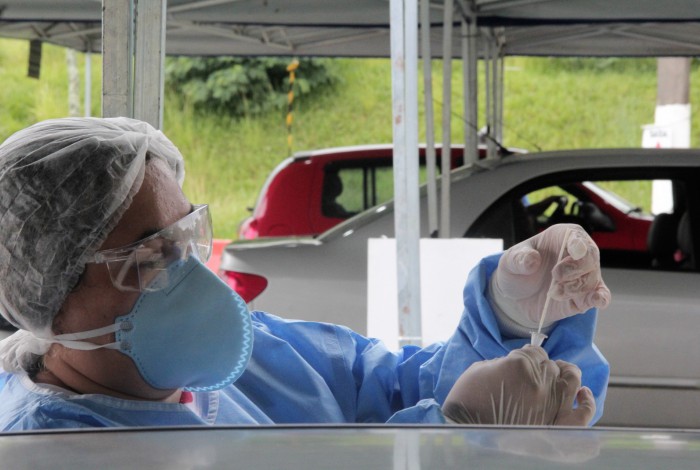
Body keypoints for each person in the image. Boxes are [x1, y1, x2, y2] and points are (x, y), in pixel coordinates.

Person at [0, 117, 610, 431]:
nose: (189, 272)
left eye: (188, 235)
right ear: (51, 300)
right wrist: (452, 441)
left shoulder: (249, 362)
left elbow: (387, 389)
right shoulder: (53, 449)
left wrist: (507, 318)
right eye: (148, 258)